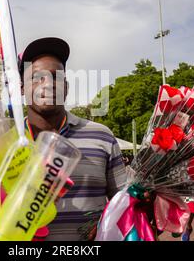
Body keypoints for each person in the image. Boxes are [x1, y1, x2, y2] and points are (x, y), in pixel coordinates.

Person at [18, 37, 127, 241]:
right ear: (21, 88)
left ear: (66, 88)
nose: (47, 84)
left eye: (55, 77)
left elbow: (123, 205)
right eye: (36, 77)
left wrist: (107, 227)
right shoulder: (6, 143)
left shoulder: (101, 136)